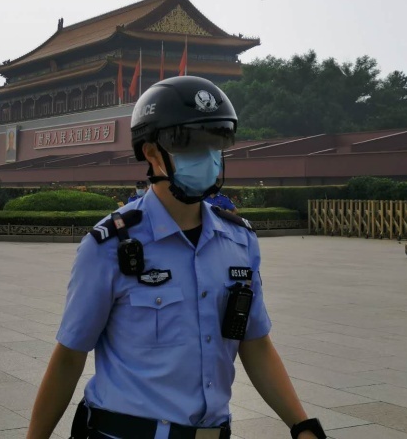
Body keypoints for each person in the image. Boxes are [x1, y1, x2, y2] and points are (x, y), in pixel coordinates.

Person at [26, 76, 326, 439]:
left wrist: (301, 425)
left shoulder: (239, 241)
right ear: (152, 153)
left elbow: (255, 343)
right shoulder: (109, 246)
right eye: (191, 143)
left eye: (215, 142)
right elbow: (69, 357)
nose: (209, 156)